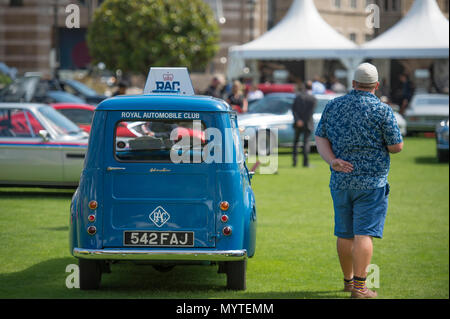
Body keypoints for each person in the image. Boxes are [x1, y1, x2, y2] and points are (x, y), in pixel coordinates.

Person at [315, 63, 403, 299]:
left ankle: (348, 282)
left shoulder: (333, 105)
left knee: (344, 233)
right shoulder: (382, 110)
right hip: (371, 183)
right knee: (363, 234)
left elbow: (320, 137)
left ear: (353, 84)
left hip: (341, 180)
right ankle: (361, 289)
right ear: (376, 85)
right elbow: (396, 146)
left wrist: (332, 160)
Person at [292, 81, 316, 167]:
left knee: (296, 142)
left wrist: (298, 120)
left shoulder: (298, 97)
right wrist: (303, 120)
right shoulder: (312, 98)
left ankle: (294, 162)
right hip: (307, 123)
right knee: (306, 143)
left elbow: (294, 109)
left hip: (298, 123)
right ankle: (305, 162)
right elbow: (310, 113)